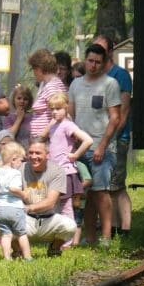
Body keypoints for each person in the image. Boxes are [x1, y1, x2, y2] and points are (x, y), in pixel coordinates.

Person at [68, 44, 122, 246]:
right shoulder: (75, 84)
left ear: (104, 62)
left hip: (101, 147)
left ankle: (106, 237)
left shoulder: (111, 84)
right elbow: (71, 115)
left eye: (97, 62)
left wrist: (102, 146)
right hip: (80, 147)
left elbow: (115, 118)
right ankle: (90, 237)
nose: (93, 65)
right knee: (85, 194)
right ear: (85, 60)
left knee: (101, 191)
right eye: (90, 61)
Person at [94, 34, 133, 236]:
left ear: (110, 52)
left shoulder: (121, 76)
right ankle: (113, 227)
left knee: (117, 185)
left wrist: (110, 139)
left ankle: (125, 228)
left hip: (117, 138)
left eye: (101, 48)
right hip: (99, 139)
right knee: (105, 186)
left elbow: (123, 113)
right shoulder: (94, 76)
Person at [46, 91, 93, 240]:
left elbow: (87, 140)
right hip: (54, 172)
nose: (54, 112)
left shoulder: (68, 125)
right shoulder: (54, 126)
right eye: (52, 109)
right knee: (56, 206)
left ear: (66, 108)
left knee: (66, 207)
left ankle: (68, 239)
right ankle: (59, 236)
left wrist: (75, 155)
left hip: (65, 172)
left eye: (58, 108)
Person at [21, 136, 78, 255]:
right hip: (25, 220)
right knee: (1, 224)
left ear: (47, 155)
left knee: (70, 226)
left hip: (49, 220)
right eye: (30, 153)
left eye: (38, 153)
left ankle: (54, 248)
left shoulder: (57, 171)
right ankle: (18, 251)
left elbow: (50, 202)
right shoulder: (20, 169)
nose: (33, 156)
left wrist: (28, 208)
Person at [0, 141, 34, 261]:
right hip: (15, 208)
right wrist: (24, 194)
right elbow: (13, 188)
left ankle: (7, 258)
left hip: (0, 208)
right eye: (20, 160)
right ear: (13, 159)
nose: (21, 164)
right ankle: (28, 257)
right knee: (21, 233)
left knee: (6, 234)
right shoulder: (15, 173)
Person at [27, 49, 66, 137]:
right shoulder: (47, 84)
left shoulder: (52, 86)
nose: (34, 73)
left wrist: (42, 137)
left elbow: (58, 116)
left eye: (33, 69)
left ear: (39, 68)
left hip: (48, 141)